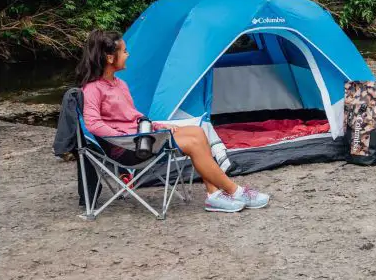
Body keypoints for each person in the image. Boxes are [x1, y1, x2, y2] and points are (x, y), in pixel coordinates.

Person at [77, 31, 271, 213]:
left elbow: (133, 118)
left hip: (142, 137)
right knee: (193, 143)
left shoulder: (120, 84)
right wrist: (125, 137)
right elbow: (93, 124)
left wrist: (157, 126)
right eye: (124, 51)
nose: (128, 54)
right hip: (129, 148)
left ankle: (214, 194)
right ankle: (235, 191)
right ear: (110, 58)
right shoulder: (93, 89)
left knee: (197, 132)